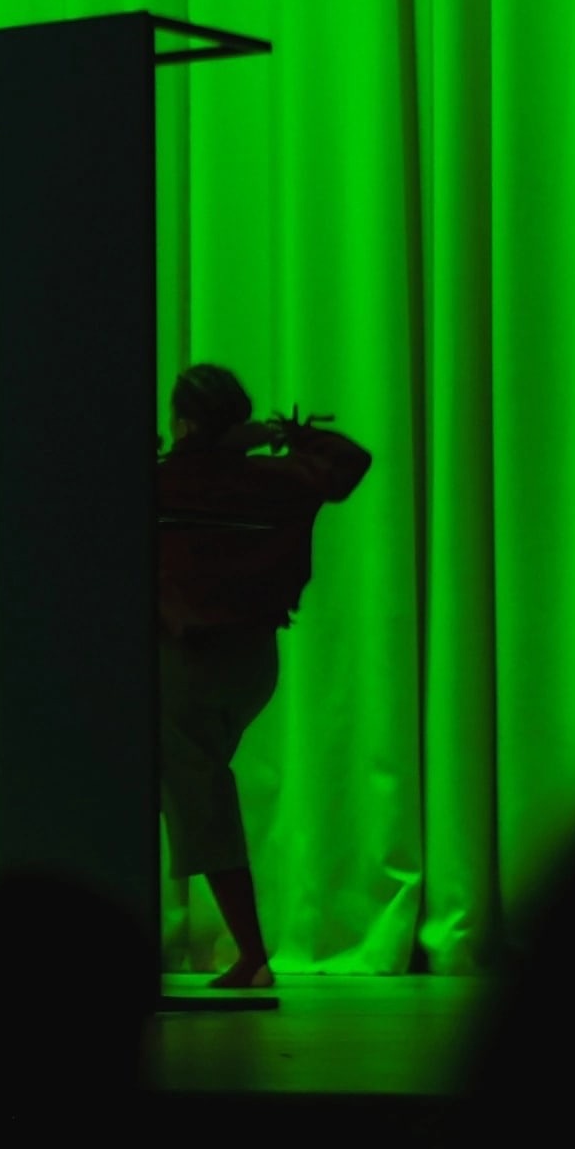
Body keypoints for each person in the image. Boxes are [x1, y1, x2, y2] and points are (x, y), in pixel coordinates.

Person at [156, 362, 371, 988]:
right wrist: (285, 436)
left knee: (199, 795)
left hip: (187, 658)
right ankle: (249, 955)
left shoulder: (164, 483)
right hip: (251, 658)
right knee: (193, 786)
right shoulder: (271, 481)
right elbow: (349, 463)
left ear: (183, 422)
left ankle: (252, 955)